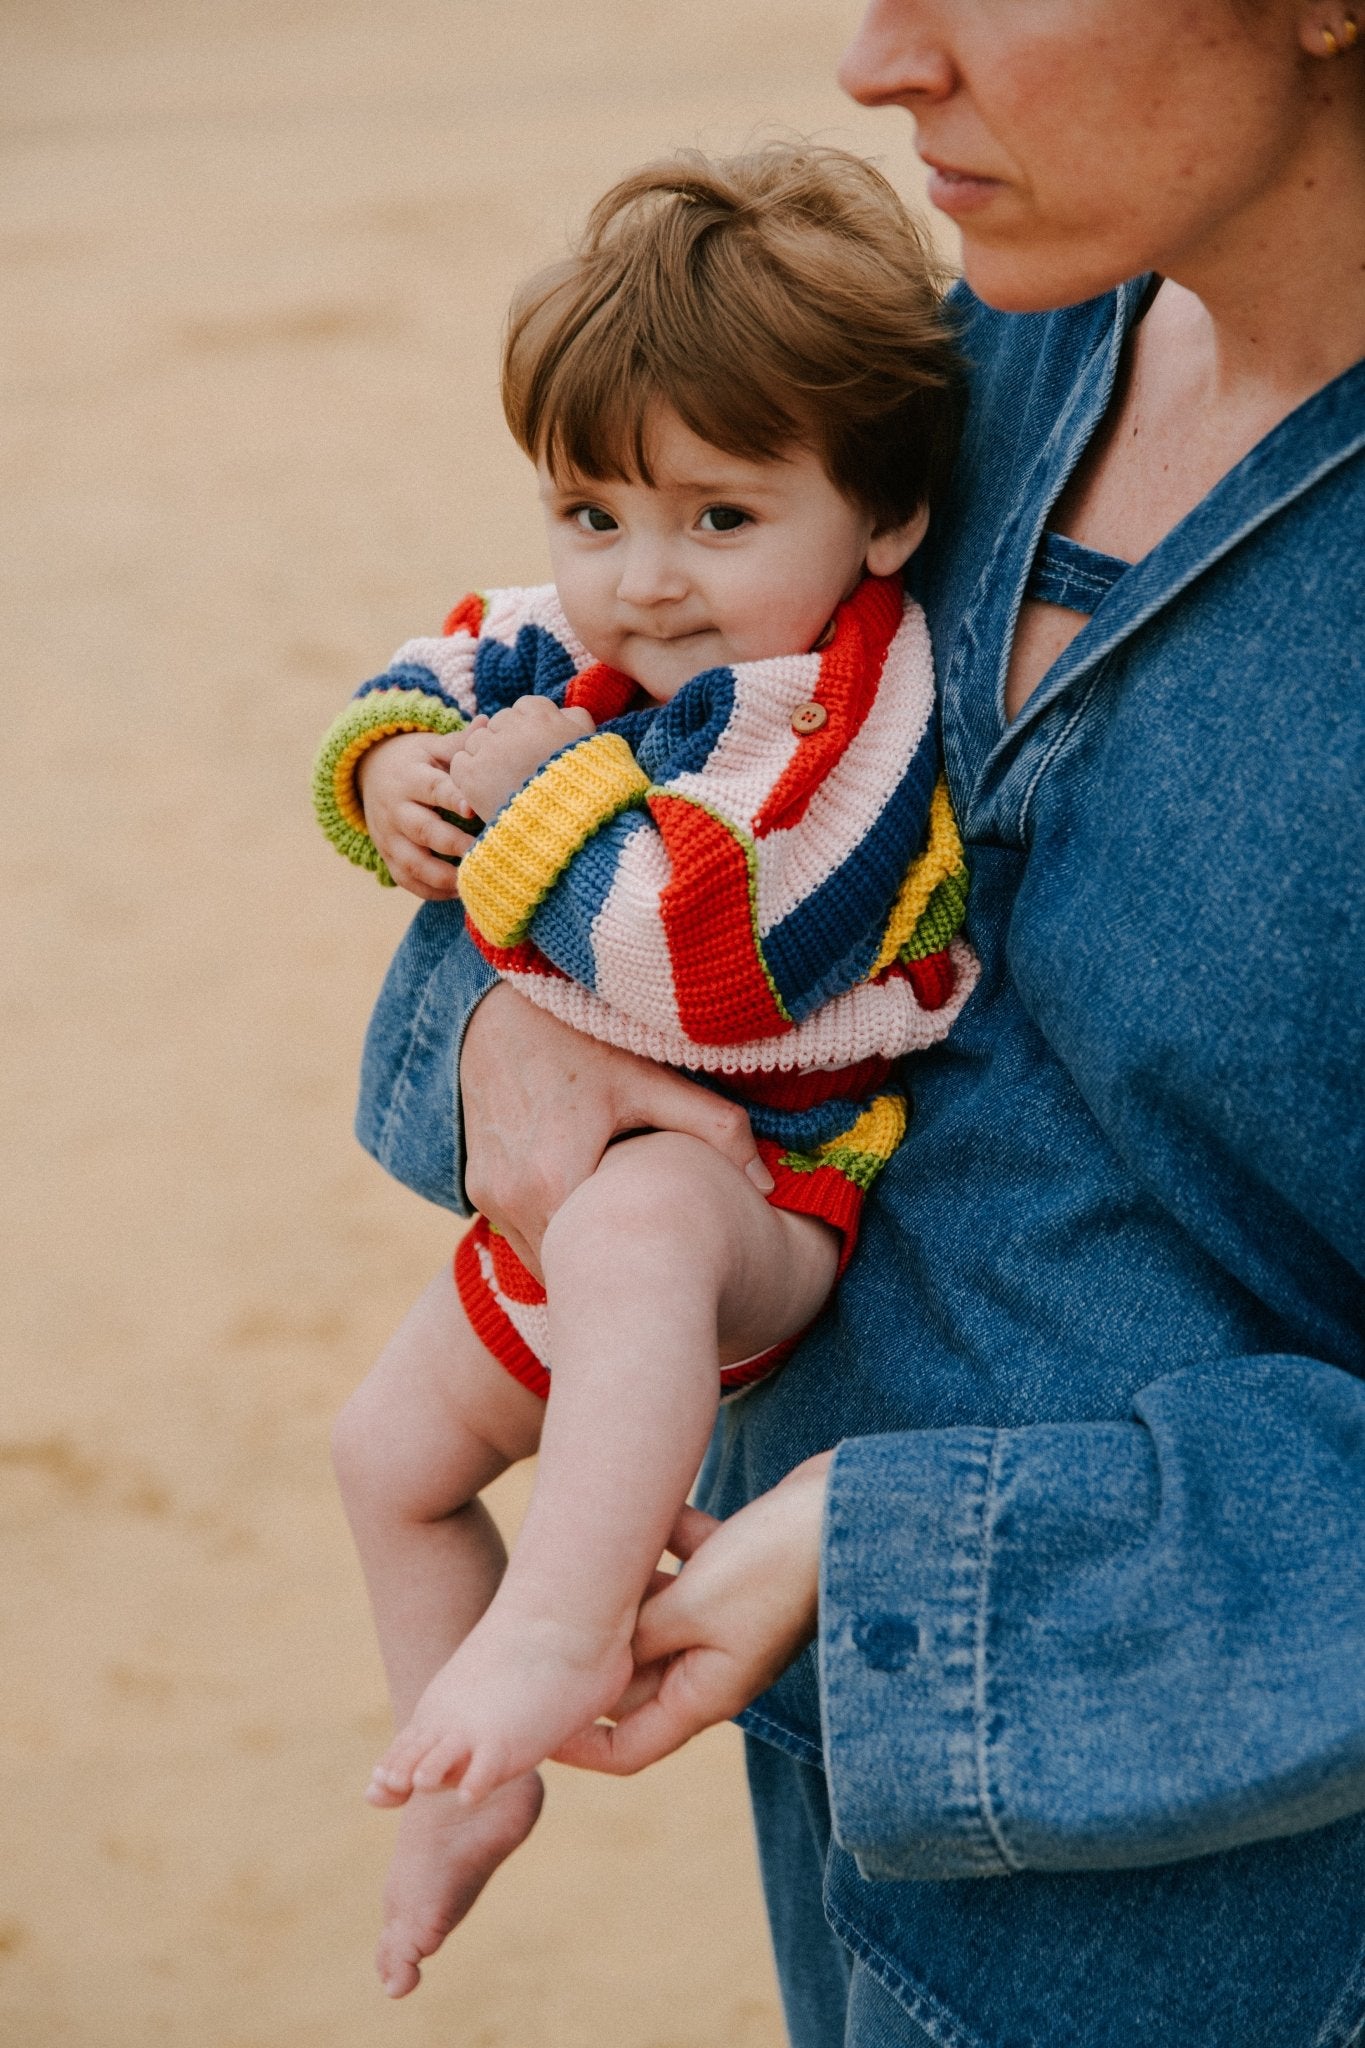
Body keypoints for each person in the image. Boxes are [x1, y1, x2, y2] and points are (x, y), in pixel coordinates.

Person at [344, 1, 1365, 2040]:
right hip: (849, 1777)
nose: (875, 57)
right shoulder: (966, 354)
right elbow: (596, 732)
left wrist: (892, 1542)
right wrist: (493, 1028)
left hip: (1239, 1905)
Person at [313, 144, 977, 2000]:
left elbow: (715, 952)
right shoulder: (598, 630)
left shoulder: (846, 710)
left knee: (632, 1234)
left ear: (883, 516)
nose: (643, 584)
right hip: (586, 1193)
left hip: (767, 1186)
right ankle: (463, 1775)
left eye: (718, 516)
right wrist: (393, 770)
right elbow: (446, 659)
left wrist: (532, 785)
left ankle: (560, 1621)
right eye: (589, 512)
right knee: (385, 1456)